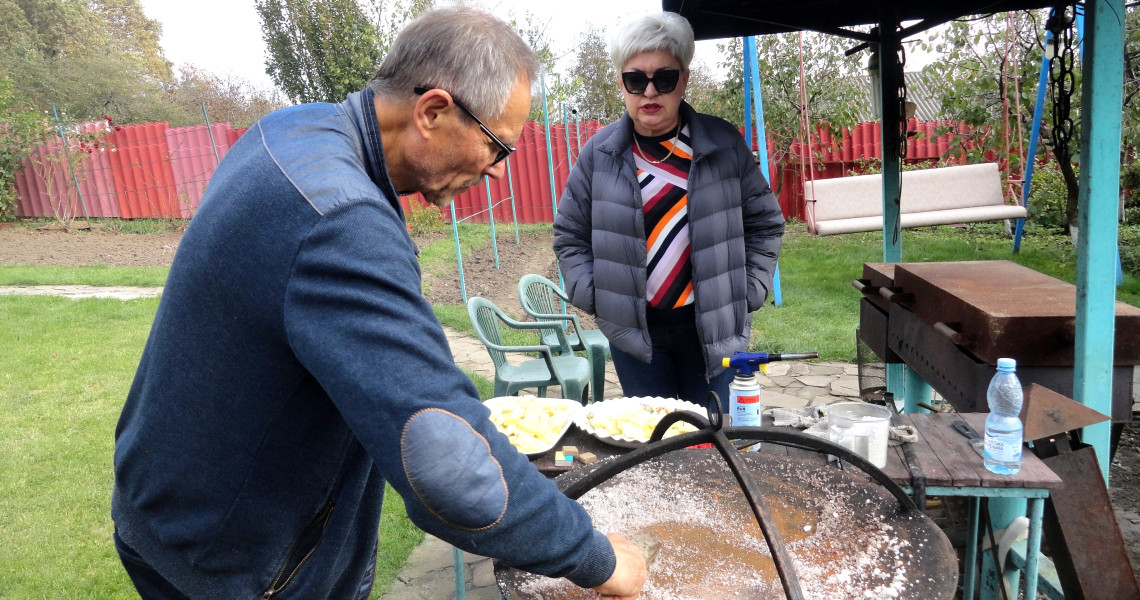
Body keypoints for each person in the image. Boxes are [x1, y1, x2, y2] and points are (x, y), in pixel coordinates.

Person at [111, 7, 646, 600]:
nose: (496, 174)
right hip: (237, 560)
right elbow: (444, 464)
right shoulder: (340, 223)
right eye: (497, 148)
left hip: (172, 504)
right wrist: (595, 558)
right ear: (433, 111)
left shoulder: (292, 129)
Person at [553, 12, 785, 412]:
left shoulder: (722, 143)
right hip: (635, 333)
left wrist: (749, 291)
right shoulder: (599, 154)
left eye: (664, 78)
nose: (649, 92)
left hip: (712, 326)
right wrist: (596, 296)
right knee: (653, 441)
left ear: (683, 81)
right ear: (620, 83)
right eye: (635, 79)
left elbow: (765, 223)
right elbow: (569, 235)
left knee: (710, 440)